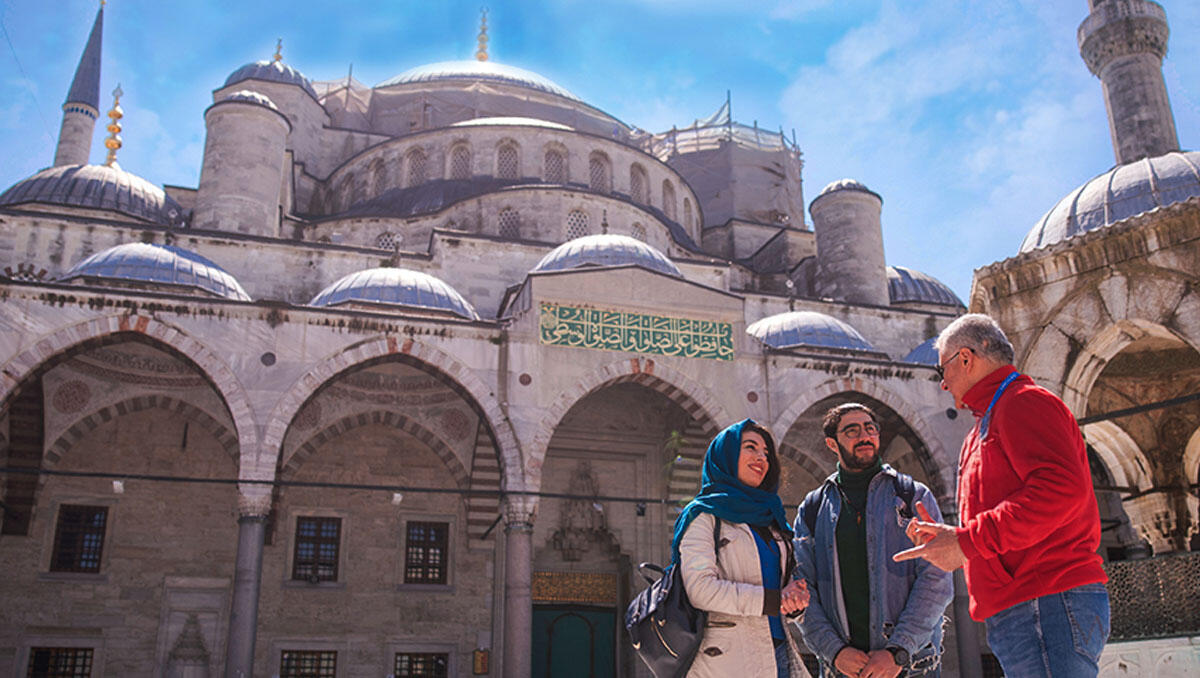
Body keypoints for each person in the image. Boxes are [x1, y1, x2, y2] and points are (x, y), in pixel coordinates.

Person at [894, 313, 1110, 677]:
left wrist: (967, 541)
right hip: (1021, 606)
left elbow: (1059, 490)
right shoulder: (985, 424)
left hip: (1046, 601)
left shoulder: (1024, 402)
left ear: (966, 358)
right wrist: (951, 541)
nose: (943, 384)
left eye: (942, 370)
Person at [794, 403, 953, 678]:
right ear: (832, 444)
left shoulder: (912, 496)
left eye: (870, 428)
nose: (864, 436)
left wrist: (897, 651)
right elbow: (802, 588)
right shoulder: (813, 507)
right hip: (843, 668)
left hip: (910, 666)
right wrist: (835, 651)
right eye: (852, 431)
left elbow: (936, 579)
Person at [674, 419, 812, 678]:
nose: (761, 457)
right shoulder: (704, 516)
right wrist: (774, 600)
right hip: (728, 661)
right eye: (750, 447)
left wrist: (794, 601)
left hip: (778, 654)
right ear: (725, 456)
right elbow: (700, 590)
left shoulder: (771, 518)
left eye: (766, 453)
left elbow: (780, 587)